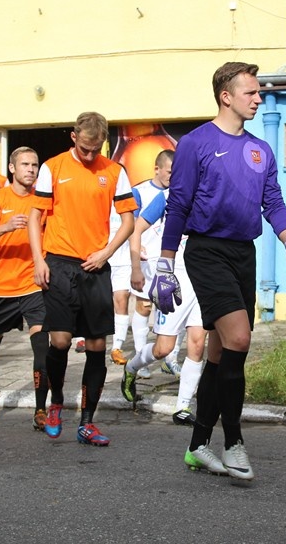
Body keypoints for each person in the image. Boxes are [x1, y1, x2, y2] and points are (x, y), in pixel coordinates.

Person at [151, 62, 286, 480]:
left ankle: (198, 446)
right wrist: (164, 263)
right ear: (226, 95)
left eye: (258, 93)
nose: (258, 99)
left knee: (222, 353)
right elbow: (179, 203)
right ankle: (234, 443)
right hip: (205, 252)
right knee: (239, 338)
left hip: (244, 253)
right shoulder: (196, 143)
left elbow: (272, 201)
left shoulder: (261, 149)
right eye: (251, 92)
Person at [28, 111, 137, 446]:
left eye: (96, 149)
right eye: (86, 148)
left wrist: (106, 252)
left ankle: (87, 422)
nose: (91, 156)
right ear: (74, 137)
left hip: (95, 266)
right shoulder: (52, 167)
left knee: (97, 346)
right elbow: (35, 217)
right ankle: (57, 402)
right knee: (59, 341)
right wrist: (38, 260)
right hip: (59, 264)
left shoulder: (114, 171)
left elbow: (128, 221)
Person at [121, 185, 207, 425]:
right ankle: (131, 367)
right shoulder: (169, 196)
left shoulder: (214, 191)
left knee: (198, 343)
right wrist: (136, 266)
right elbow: (136, 229)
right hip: (173, 278)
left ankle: (183, 407)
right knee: (163, 349)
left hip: (203, 277)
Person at [0, 147, 48, 422]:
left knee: (42, 346)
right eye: (25, 164)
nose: (31, 169)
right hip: (0, 287)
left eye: (35, 164)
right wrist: (6, 227)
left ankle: (41, 409)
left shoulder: (43, 199)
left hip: (32, 285)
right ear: (12, 168)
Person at [127, 150, 174, 377]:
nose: (172, 177)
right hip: (147, 257)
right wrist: (136, 251)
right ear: (157, 169)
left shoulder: (178, 193)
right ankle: (139, 355)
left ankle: (169, 359)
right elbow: (133, 224)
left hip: (169, 259)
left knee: (171, 307)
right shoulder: (140, 191)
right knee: (144, 306)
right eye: (169, 172)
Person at [107, 202, 133, 366]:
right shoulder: (97, 192)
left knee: (121, 299)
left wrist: (138, 245)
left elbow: (135, 224)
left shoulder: (129, 198)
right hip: (100, 258)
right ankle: (83, 337)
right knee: (96, 303)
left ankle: (117, 347)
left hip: (123, 260)